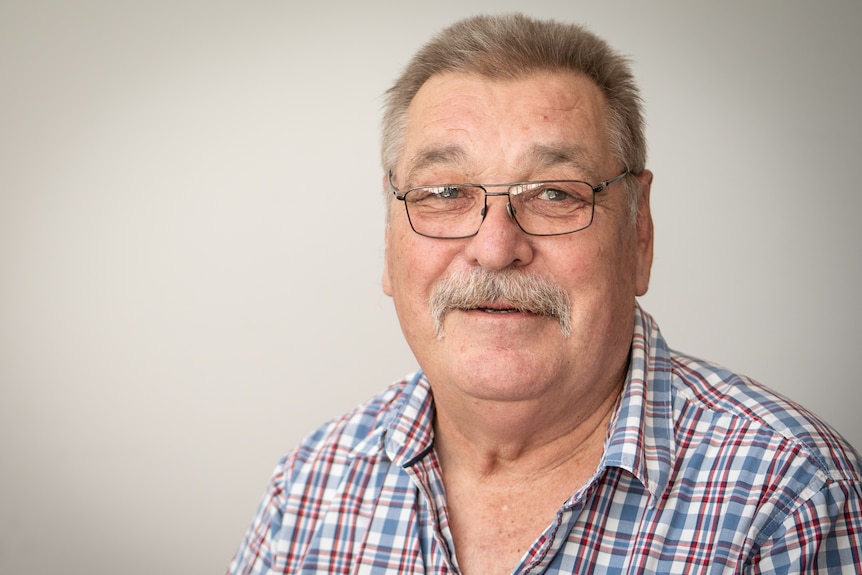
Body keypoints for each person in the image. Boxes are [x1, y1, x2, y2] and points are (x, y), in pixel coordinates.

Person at [227, 13, 862, 574]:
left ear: (638, 233)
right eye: (445, 193)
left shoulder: (791, 496)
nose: (497, 248)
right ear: (389, 241)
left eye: (556, 192)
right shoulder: (311, 486)